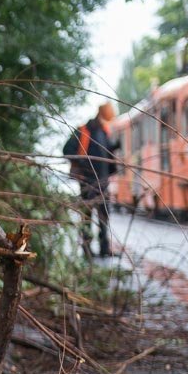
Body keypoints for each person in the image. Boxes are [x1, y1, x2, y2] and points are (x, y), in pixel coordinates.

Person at [63, 102, 120, 258]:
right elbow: (67, 150)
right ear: (102, 114)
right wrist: (82, 164)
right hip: (87, 183)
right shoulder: (83, 131)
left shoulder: (104, 131)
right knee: (87, 217)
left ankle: (104, 249)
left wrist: (115, 146)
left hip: (103, 182)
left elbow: (107, 154)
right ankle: (87, 250)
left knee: (104, 217)